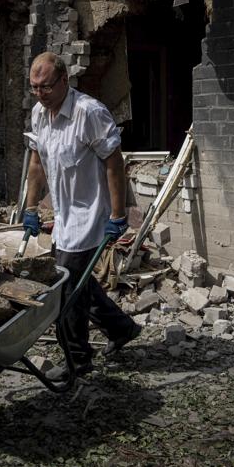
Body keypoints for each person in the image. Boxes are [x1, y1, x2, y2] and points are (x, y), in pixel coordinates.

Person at [22, 52, 142, 381]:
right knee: (80, 282)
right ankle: (122, 328)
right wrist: (31, 208)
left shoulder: (88, 113)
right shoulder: (39, 114)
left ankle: (78, 359)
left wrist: (118, 215)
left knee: (65, 289)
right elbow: (36, 163)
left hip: (90, 216)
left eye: (45, 87)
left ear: (64, 80)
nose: (40, 94)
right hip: (63, 214)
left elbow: (114, 164)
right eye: (34, 88)